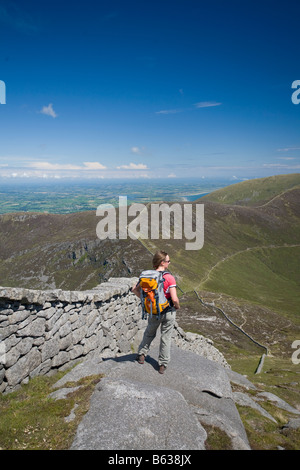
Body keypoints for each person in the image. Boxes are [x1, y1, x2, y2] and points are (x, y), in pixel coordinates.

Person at [132, 250, 180, 374]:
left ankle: (142, 355)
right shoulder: (169, 277)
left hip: (154, 311)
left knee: (149, 332)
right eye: (168, 261)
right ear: (162, 262)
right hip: (168, 311)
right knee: (166, 337)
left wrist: (147, 302)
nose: (169, 263)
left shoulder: (146, 276)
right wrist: (177, 306)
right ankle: (162, 364)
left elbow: (135, 290)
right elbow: (174, 298)